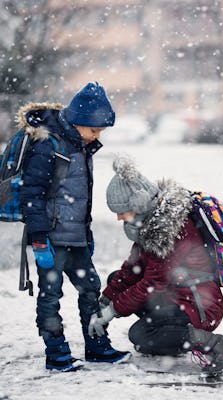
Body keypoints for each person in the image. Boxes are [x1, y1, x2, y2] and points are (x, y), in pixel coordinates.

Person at [19, 82, 130, 372]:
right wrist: (39, 239)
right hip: (51, 239)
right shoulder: (49, 146)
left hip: (76, 238)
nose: (98, 136)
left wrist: (85, 232)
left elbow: (80, 198)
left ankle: (96, 346)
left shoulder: (81, 146)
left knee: (91, 289)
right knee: (50, 295)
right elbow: (33, 195)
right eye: (94, 130)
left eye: (101, 132)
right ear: (77, 120)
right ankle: (56, 353)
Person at [89, 157, 223, 377]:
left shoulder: (168, 230)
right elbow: (131, 270)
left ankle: (212, 343)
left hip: (199, 304)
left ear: (139, 203)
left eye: (122, 211)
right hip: (176, 296)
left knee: (141, 334)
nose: (119, 218)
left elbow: (152, 283)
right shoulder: (151, 223)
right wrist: (106, 300)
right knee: (115, 279)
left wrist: (113, 311)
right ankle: (170, 338)